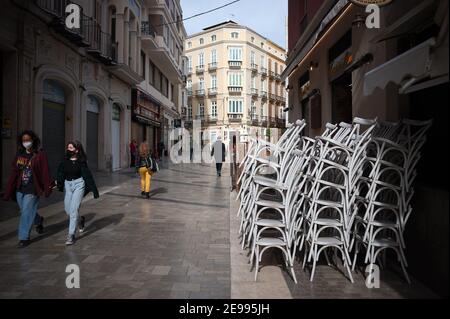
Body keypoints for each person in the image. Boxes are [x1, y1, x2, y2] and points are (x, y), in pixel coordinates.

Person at [3, 130, 52, 248]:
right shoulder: (19, 154)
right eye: (24, 140)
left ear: (33, 140)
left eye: (28, 140)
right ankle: (38, 220)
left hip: (32, 188)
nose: (26, 142)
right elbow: (14, 172)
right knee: (27, 211)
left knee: (25, 212)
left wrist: (47, 188)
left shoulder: (40, 155)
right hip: (20, 188)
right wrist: (8, 190)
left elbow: (45, 172)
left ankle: (24, 237)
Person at [56, 141, 99, 245]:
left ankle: (71, 235)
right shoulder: (64, 161)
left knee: (74, 210)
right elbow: (60, 173)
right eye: (68, 147)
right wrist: (58, 183)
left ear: (77, 150)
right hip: (68, 185)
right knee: (68, 210)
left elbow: (88, 176)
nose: (68, 149)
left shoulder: (81, 162)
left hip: (79, 185)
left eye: (71, 148)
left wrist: (94, 190)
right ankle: (80, 220)